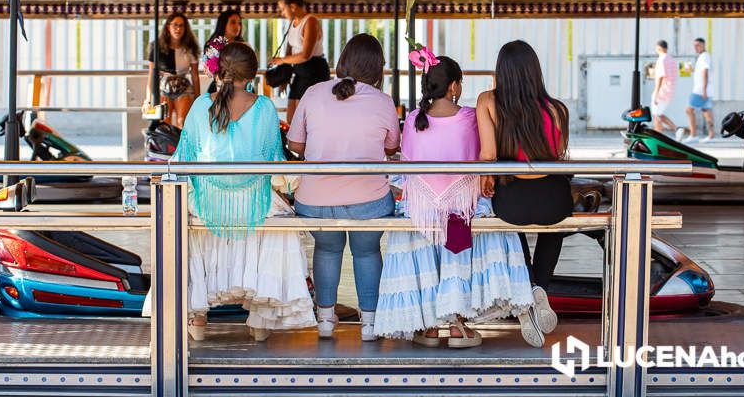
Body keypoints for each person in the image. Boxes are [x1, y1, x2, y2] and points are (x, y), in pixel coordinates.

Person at [374, 55, 543, 348]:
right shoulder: (468, 117)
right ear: (454, 86)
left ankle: (428, 327)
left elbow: (406, 168)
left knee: (424, 238)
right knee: (482, 229)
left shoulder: (414, 118)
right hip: (461, 210)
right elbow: (483, 157)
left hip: (421, 212)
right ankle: (457, 326)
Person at [173, 41, 315, 342]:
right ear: (251, 74)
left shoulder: (201, 106)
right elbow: (275, 165)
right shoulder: (263, 107)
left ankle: (198, 318)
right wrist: (293, 185)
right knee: (283, 221)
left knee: (188, 216)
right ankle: (260, 320)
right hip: (254, 202)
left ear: (219, 70)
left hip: (208, 204)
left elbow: (183, 159)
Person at [286, 33, 400, 342]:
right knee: (366, 252)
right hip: (369, 200)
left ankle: (325, 320)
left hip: (315, 198)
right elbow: (392, 148)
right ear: (378, 68)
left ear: (343, 62)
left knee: (326, 248)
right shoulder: (383, 101)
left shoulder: (312, 92)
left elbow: (294, 143)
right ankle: (370, 324)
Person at [476, 40, 568, 340]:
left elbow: (488, 155)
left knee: (511, 229)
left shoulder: (487, 101)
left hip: (511, 197)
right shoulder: (557, 109)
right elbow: (558, 154)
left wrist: (485, 180)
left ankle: (528, 293)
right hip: (553, 198)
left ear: (501, 71)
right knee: (553, 230)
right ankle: (541, 287)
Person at [270, 0, 330, 124]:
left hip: (314, 70)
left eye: (283, 9)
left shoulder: (311, 21)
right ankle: (295, 145)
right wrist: (284, 77)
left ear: (292, 6)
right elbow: (289, 51)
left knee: (305, 119)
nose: (282, 13)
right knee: (292, 117)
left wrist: (281, 60)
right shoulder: (292, 23)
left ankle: (309, 145)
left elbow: (305, 55)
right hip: (299, 71)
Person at [145, 12, 201, 128]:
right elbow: (151, 75)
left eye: (181, 25)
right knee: (165, 123)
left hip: (183, 86)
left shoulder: (190, 48)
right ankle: (168, 146)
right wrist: (148, 99)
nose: (178, 28)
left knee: (183, 122)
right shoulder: (156, 47)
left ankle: (183, 146)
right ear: (168, 26)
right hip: (164, 86)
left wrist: (197, 98)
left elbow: (195, 75)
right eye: (175, 25)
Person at [204, 9, 244, 94]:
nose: (237, 26)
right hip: (219, 87)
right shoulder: (212, 45)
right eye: (233, 22)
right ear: (223, 24)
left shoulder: (244, 46)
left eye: (239, 23)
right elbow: (209, 71)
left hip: (242, 87)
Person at [684, 37, 715, 143]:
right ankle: (711, 135)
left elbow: (705, 72)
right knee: (706, 111)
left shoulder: (704, 57)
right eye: (694, 45)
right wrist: (692, 70)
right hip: (705, 89)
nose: (696, 47)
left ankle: (693, 135)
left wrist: (704, 90)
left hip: (700, 90)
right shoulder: (703, 57)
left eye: (698, 45)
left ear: (703, 45)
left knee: (689, 110)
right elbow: (701, 71)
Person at [651, 39, 678, 134]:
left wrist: (656, 93)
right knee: (659, 114)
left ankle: (658, 134)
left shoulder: (662, 59)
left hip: (662, 91)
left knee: (656, 115)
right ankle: (677, 129)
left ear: (659, 48)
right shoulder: (671, 59)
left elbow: (661, 77)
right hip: (669, 90)